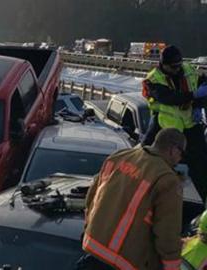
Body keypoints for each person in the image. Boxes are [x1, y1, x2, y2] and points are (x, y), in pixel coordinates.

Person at [81, 128, 186, 270]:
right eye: (182, 153)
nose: (180, 159)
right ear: (173, 150)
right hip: (123, 261)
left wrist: (89, 228)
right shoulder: (167, 180)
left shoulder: (120, 156)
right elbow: (167, 233)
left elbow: (92, 198)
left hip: (92, 250)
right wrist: (172, 266)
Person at [141, 45, 207, 201]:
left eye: (179, 65)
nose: (177, 69)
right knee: (147, 155)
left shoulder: (188, 70)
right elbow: (169, 97)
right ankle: (142, 193)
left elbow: (201, 83)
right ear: (163, 64)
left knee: (201, 166)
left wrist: (198, 104)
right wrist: (194, 95)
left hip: (190, 125)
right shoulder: (153, 79)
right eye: (173, 67)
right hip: (164, 126)